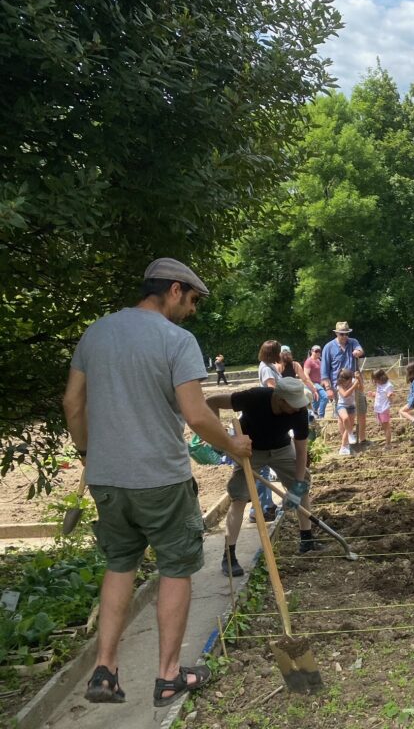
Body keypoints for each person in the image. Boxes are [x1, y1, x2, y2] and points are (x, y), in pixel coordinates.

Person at [62, 258, 252, 707]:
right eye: (191, 301)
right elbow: (197, 414)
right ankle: (168, 677)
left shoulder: (97, 332)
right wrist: (233, 446)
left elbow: (73, 402)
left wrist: (89, 453)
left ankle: (104, 670)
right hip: (160, 481)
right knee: (175, 568)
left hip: (107, 480)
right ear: (173, 290)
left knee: (120, 565)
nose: (191, 311)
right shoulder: (176, 340)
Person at [206, 377, 321, 578]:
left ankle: (307, 540)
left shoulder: (300, 410)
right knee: (239, 497)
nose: (297, 409)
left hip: (283, 448)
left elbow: (302, 451)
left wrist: (298, 485)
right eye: (292, 406)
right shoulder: (254, 397)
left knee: (301, 487)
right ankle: (229, 555)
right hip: (250, 450)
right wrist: (220, 436)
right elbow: (211, 402)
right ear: (279, 399)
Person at [321, 322, 366, 447]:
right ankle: (345, 443)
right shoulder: (328, 347)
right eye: (341, 334)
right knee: (342, 415)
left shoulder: (353, 342)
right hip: (338, 385)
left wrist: (358, 352)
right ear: (336, 333)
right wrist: (328, 388)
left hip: (354, 381)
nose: (344, 336)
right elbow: (324, 371)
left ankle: (362, 440)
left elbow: (360, 350)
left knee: (361, 409)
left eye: (346, 334)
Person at [252, 340, 282, 522]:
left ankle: (267, 506)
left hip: (268, 419)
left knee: (265, 467)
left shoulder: (269, 366)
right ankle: (260, 510)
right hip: (265, 420)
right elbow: (272, 389)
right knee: (262, 469)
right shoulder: (266, 369)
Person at [334, 369, 361, 454]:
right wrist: (353, 386)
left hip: (351, 407)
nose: (347, 383)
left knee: (348, 427)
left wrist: (359, 380)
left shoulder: (353, 381)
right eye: (345, 382)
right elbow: (345, 395)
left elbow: (362, 389)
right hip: (341, 406)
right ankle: (351, 434)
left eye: (349, 381)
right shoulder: (339, 385)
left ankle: (343, 447)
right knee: (345, 419)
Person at [304, 345, 329, 419]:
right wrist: (312, 385)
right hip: (312, 384)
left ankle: (313, 416)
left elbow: (321, 372)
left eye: (319, 351)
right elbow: (306, 374)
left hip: (318, 384)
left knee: (316, 401)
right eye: (316, 351)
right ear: (312, 351)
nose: (318, 353)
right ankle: (321, 416)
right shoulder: (308, 361)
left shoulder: (319, 361)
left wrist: (322, 382)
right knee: (325, 397)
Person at [371, 369, 395, 444]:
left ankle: (388, 444)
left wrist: (390, 396)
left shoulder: (388, 385)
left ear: (380, 378)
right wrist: (373, 394)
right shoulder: (379, 384)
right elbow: (380, 394)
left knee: (386, 426)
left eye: (375, 379)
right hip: (378, 408)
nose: (375, 381)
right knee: (383, 426)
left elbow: (391, 398)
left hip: (383, 409)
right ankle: (387, 441)